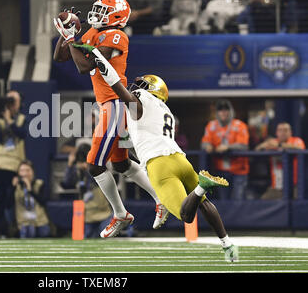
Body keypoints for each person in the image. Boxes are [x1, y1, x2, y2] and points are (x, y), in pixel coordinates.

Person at [71, 43, 238, 262]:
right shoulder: (164, 109)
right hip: (180, 159)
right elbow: (135, 137)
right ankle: (227, 244)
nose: (134, 86)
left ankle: (201, 186)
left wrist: (98, 59)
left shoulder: (139, 102)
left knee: (185, 215)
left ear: (149, 89)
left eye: (140, 85)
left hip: (160, 165)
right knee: (205, 204)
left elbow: (115, 85)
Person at [53, 0, 169, 238]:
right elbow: (61, 57)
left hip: (115, 104)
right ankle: (161, 198)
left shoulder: (117, 35)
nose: (96, 13)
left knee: (94, 165)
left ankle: (120, 213)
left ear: (116, 16)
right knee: (121, 163)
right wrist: (65, 35)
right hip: (109, 104)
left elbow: (85, 66)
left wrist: (73, 38)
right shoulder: (95, 33)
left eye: (102, 10)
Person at [0, 90, 27, 237]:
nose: (11, 104)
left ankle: (14, 229)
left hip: (15, 165)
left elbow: (22, 134)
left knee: (12, 199)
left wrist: (9, 120)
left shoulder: (22, 118)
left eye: (14, 101)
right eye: (9, 100)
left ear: (19, 103)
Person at [61, 143, 113, 238]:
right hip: (87, 215)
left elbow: (98, 180)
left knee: (106, 236)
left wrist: (89, 169)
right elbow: (67, 184)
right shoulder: (77, 171)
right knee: (88, 238)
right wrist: (69, 165)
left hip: (104, 213)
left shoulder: (100, 166)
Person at [201, 99, 249, 200]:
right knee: (224, 201)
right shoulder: (211, 126)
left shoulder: (240, 125)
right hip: (221, 171)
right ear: (217, 113)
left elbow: (244, 146)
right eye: (220, 110)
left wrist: (228, 147)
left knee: (238, 201)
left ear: (231, 111)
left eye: (226, 109)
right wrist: (207, 146)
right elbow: (204, 143)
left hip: (239, 170)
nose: (223, 112)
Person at [255, 122, 306, 199]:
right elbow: (256, 150)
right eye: (280, 130)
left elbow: (300, 148)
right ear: (276, 132)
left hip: (294, 185)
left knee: (296, 204)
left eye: (285, 130)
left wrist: (279, 145)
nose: (282, 133)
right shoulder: (273, 142)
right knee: (262, 202)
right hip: (276, 186)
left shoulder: (296, 141)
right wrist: (264, 145)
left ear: (290, 132)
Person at [13, 160, 51, 238]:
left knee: (44, 233)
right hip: (24, 222)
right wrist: (12, 188)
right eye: (22, 171)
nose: (25, 174)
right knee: (29, 232)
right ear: (18, 173)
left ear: (33, 172)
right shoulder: (15, 187)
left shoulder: (40, 184)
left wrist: (30, 190)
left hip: (40, 221)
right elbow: (7, 205)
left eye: (28, 170)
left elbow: (43, 201)